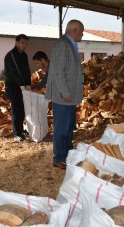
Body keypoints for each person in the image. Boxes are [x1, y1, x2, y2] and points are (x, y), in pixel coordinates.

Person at [45, 20, 84, 170]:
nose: (82, 34)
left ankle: (67, 153)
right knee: (61, 127)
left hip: (69, 96)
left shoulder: (70, 44)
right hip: (63, 96)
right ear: (74, 30)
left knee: (68, 126)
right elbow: (58, 71)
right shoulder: (63, 44)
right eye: (81, 31)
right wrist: (65, 92)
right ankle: (59, 158)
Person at [4, 34, 31, 142]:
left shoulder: (24, 55)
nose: (24, 45)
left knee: (23, 109)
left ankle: (21, 129)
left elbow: (27, 71)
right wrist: (22, 86)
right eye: (22, 42)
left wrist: (28, 85)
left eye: (26, 43)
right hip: (13, 87)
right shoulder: (11, 55)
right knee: (16, 109)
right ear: (16, 42)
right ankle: (17, 134)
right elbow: (16, 73)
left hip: (23, 87)